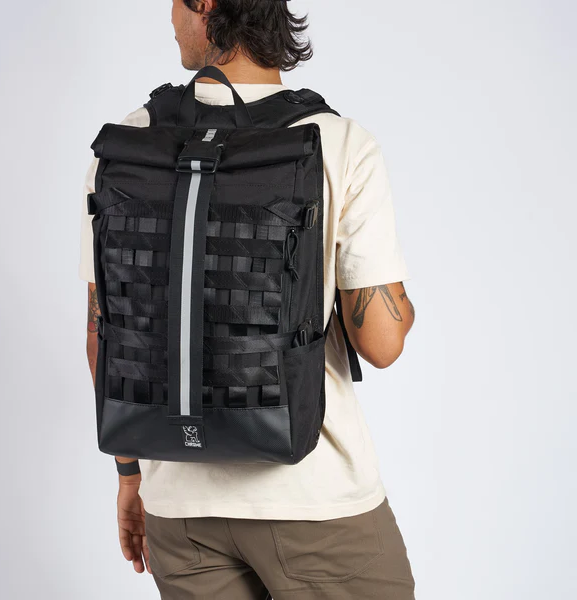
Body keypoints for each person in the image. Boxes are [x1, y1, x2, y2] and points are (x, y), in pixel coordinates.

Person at [79, 1, 417, 598]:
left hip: (178, 508)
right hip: (314, 501)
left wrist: (131, 477)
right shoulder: (337, 141)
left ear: (205, 3)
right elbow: (383, 344)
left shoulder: (128, 142)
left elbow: (105, 333)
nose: (170, 17)